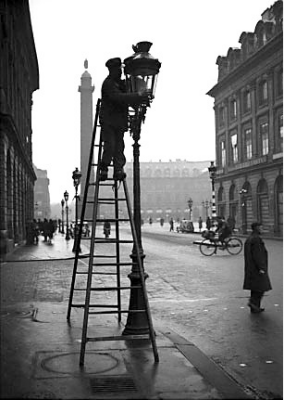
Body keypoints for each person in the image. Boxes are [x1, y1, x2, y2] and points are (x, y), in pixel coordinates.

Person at [99, 57, 149, 181]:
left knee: (119, 147)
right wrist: (137, 96)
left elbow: (127, 95)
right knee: (110, 146)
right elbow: (119, 97)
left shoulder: (120, 84)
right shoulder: (109, 84)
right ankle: (104, 168)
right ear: (112, 70)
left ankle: (118, 169)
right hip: (109, 121)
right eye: (118, 70)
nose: (120, 72)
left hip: (118, 122)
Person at [243, 222, 272, 313]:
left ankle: (255, 307)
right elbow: (258, 255)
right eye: (261, 227)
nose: (262, 229)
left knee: (255, 287)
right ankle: (253, 303)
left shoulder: (250, 238)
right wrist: (262, 268)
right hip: (256, 268)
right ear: (257, 228)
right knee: (261, 287)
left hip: (251, 267)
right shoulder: (256, 239)